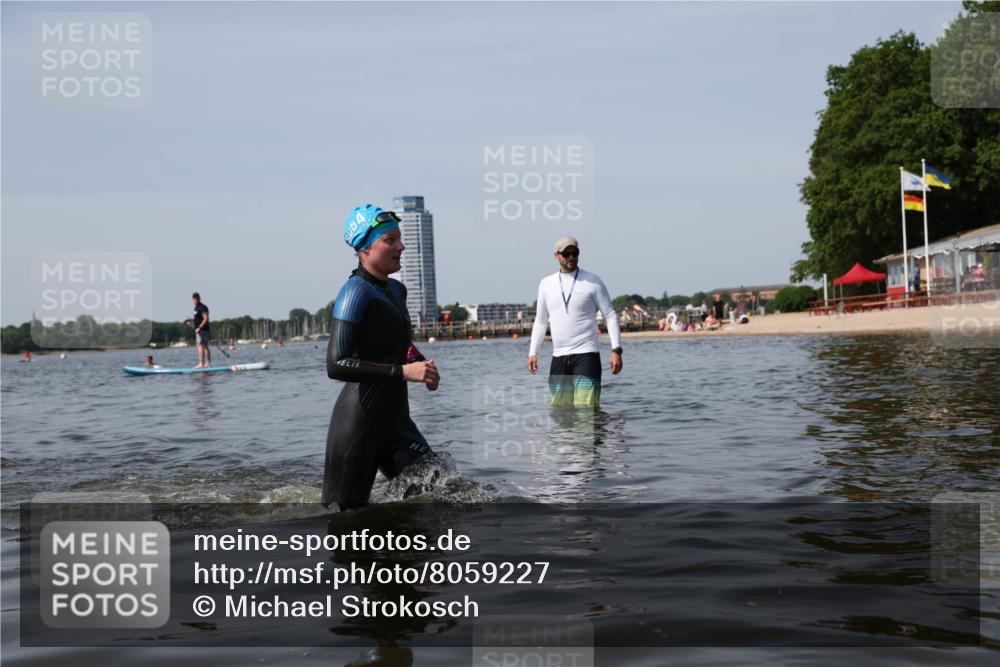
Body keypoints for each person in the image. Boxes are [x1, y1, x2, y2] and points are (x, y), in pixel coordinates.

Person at [323, 204, 438, 510]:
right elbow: (336, 363)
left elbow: (399, 344)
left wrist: (421, 364)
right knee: (346, 519)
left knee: (440, 490)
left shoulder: (397, 291)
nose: (401, 246)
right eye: (390, 240)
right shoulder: (354, 293)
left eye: (400, 238)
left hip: (396, 421)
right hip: (358, 426)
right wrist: (403, 372)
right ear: (364, 248)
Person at [528, 236, 622, 408]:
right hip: (559, 357)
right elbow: (541, 321)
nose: (571, 257)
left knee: (586, 413)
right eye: (566, 254)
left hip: (586, 355)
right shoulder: (546, 284)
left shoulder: (593, 281)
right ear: (556, 255)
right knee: (560, 414)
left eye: (575, 253)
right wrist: (532, 352)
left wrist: (616, 350)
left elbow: (610, 315)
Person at [181, 292, 212, 368]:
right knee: (200, 345)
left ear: (200, 298)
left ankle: (204, 363)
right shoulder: (196, 308)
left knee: (203, 346)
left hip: (203, 330)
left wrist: (200, 327)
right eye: (194, 299)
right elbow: (197, 318)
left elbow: (206, 318)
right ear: (192, 300)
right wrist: (188, 319)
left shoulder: (202, 307)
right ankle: (204, 363)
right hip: (199, 330)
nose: (196, 300)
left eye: (197, 298)